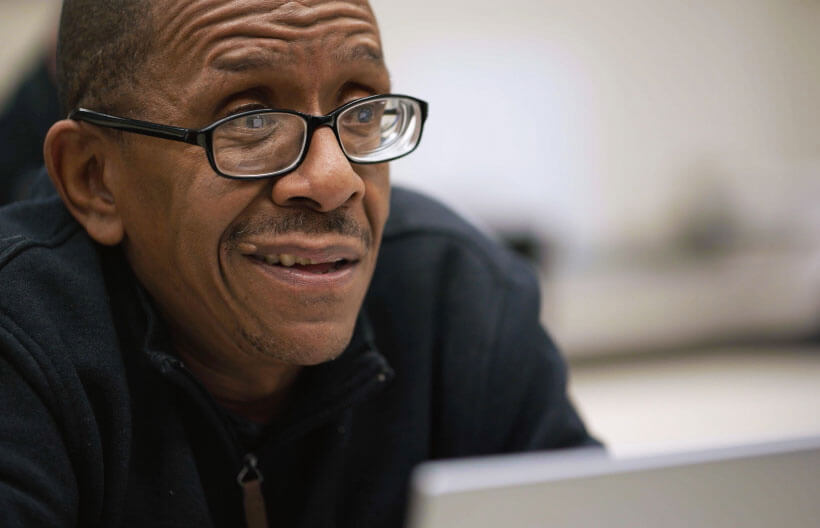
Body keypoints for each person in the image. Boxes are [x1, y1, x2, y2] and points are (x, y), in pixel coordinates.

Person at [0, 0, 598, 526]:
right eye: (251, 121)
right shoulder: (19, 337)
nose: (337, 181)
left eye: (361, 111)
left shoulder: (461, 300)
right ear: (94, 179)